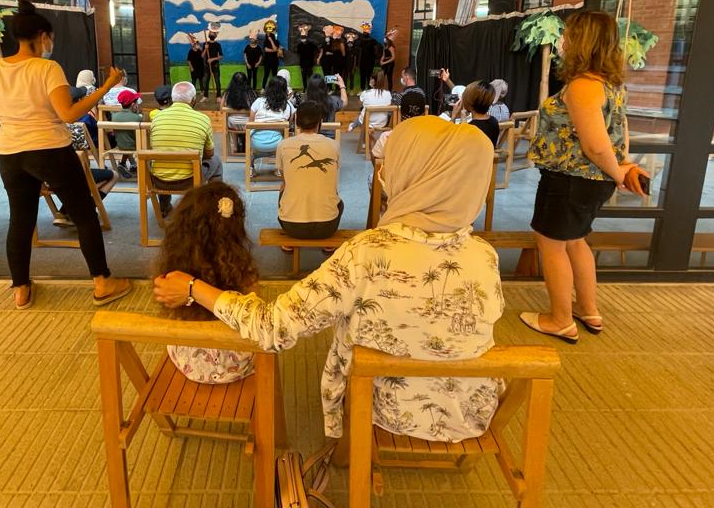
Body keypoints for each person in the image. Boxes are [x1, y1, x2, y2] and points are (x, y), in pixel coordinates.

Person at [154, 116, 504, 450]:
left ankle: (346, 451)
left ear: (411, 175)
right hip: (469, 414)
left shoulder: (364, 254)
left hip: (383, 412)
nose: (384, 171)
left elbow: (273, 327)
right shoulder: (484, 255)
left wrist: (191, 288)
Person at [0, 0, 132, 310]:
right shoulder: (47, 68)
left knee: (20, 220)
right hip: (49, 149)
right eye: (50, 39)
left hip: (11, 152)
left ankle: (21, 288)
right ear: (42, 36)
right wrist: (105, 88)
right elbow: (68, 113)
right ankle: (102, 282)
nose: (50, 44)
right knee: (83, 214)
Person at [521, 11, 648, 344]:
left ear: (582, 41)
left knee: (551, 245)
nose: (562, 40)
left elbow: (595, 145)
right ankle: (588, 309)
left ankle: (560, 319)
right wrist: (621, 168)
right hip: (589, 182)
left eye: (568, 35)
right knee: (576, 241)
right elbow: (619, 132)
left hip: (570, 180)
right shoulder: (608, 84)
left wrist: (619, 173)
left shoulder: (583, 86)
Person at [157, 182, 259, 384]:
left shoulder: (174, 270)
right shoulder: (242, 270)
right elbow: (253, 314)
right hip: (236, 364)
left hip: (187, 361)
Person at [147, 81, 224, 217]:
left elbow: (153, 147)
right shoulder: (203, 119)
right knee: (216, 160)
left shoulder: (156, 118)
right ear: (193, 100)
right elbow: (209, 153)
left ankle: (164, 207)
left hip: (159, 181)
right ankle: (215, 206)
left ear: (173, 98)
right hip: (189, 180)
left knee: (164, 159)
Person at [276, 101, 343, 248]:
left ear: (296, 121)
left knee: (284, 188)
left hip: (291, 226)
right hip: (328, 226)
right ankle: (328, 244)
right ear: (320, 122)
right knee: (335, 195)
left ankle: (289, 244)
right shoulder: (334, 145)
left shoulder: (283, 145)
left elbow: (284, 181)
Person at [248, 76, 295, 173]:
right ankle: (280, 167)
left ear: (268, 87)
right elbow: (289, 125)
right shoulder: (289, 106)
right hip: (277, 143)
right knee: (287, 135)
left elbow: (250, 123)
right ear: (285, 90)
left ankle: (251, 165)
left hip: (255, 142)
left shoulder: (258, 102)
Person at [371, 89, 427, 161]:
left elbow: (376, 161)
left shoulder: (387, 137)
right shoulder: (432, 137)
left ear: (400, 112)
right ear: (424, 113)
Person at [452, 81, 501, 147]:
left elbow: (450, 142)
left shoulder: (470, 128)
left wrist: (454, 116)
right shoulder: (494, 121)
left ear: (470, 102)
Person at [109, 89, 143, 178]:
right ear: (133, 104)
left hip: (120, 145)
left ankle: (124, 164)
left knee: (126, 139)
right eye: (136, 102)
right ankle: (135, 165)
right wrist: (137, 114)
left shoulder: (114, 116)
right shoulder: (137, 118)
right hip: (135, 146)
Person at [303, 72, 347, 137]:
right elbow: (344, 103)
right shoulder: (332, 101)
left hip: (309, 138)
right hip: (329, 138)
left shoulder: (304, 104)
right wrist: (342, 85)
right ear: (325, 87)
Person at [220, 71, 254, 153]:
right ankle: (248, 145)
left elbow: (221, 109)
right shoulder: (250, 93)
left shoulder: (227, 93)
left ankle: (235, 146)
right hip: (247, 124)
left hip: (233, 124)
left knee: (231, 120)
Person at [295, 25, 320, 91]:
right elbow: (298, 53)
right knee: (303, 76)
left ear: (306, 37)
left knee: (310, 76)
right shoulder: (299, 45)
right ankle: (305, 88)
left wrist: (316, 58)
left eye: (304, 37)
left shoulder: (311, 44)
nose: (303, 38)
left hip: (310, 63)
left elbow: (317, 50)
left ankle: (311, 88)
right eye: (302, 37)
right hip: (303, 63)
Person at [357, 23, 380, 93]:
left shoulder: (373, 41)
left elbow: (376, 51)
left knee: (369, 75)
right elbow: (359, 51)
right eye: (364, 30)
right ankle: (362, 89)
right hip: (362, 61)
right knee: (362, 75)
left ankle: (369, 89)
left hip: (370, 61)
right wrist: (358, 62)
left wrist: (375, 59)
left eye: (366, 30)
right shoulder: (360, 40)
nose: (365, 32)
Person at [203, 31, 223, 98]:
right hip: (207, 66)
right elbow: (202, 56)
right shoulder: (205, 44)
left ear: (215, 36)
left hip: (215, 66)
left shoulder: (217, 45)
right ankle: (205, 96)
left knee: (217, 81)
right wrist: (205, 49)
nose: (211, 34)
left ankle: (218, 96)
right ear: (208, 35)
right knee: (206, 81)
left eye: (213, 33)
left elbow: (221, 56)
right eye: (210, 33)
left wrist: (212, 59)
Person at [261, 22, 282, 87]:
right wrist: (274, 50)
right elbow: (266, 50)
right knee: (266, 75)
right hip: (267, 61)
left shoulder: (276, 42)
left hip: (275, 61)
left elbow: (275, 48)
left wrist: (271, 41)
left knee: (274, 75)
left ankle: (275, 88)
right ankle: (263, 88)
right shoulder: (265, 41)